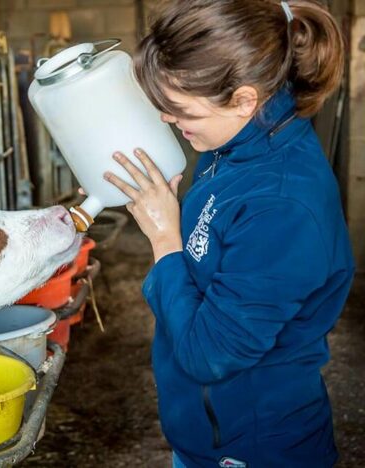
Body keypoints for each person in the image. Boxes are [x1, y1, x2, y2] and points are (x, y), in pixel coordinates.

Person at [103, 1, 355, 466]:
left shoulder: (282, 206)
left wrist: (163, 239)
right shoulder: (238, 143)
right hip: (210, 430)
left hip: (250, 447)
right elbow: (219, 244)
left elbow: (209, 356)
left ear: (242, 98)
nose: (167, 120)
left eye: (180, 110)